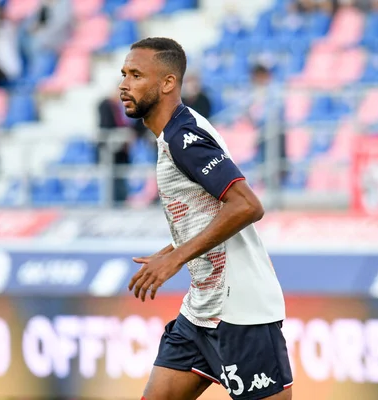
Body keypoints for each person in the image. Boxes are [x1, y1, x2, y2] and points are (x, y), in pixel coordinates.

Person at [120, 37, 292, 400]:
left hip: (241, 311)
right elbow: (208, 212)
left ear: (168, 83)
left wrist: (176, 259)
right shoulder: (173, 135)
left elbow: (247, 206)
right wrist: (172, 249)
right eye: (124, 74)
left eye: (136, 75)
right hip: (201, 310)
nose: (124, 84)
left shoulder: (185, 137)